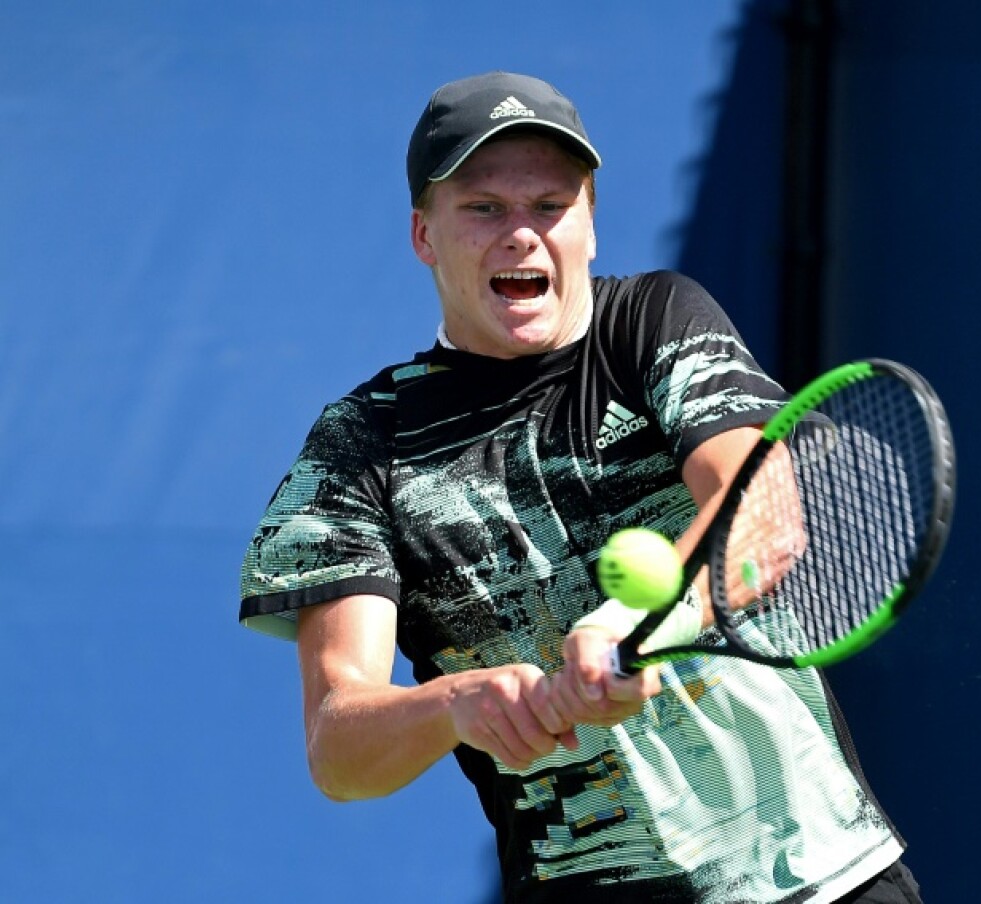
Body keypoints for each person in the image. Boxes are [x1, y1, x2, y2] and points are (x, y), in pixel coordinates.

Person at [239, 71, 922, 904]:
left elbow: (763, 511)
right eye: (484, 208)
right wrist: (456, 704)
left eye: (550, 206)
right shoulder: (360, 445)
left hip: (826, 882)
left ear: (590, 225)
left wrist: (632, 621)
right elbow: (338, 750)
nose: (521, 234)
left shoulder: (654, 321)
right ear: (424, 234)